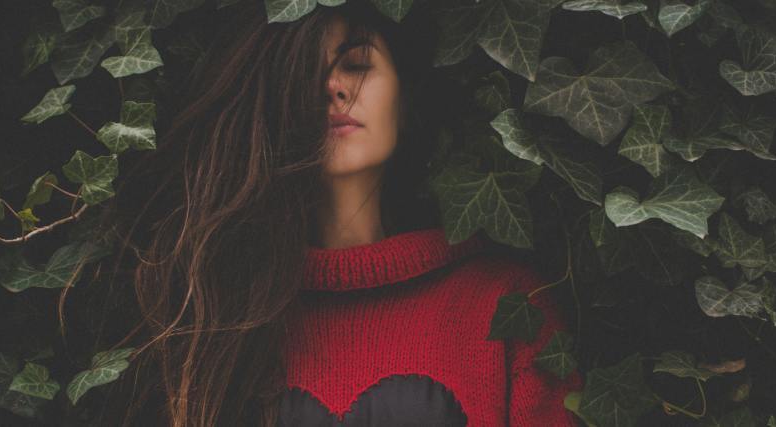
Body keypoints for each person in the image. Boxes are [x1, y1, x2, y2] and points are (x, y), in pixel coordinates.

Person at [86, 2, 582, 425]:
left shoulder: (507, 302)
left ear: (404, 102)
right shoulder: (221, 317)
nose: (333, 88)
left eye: (357, 63)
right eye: (306, 73)